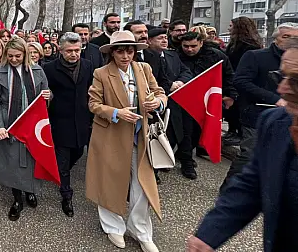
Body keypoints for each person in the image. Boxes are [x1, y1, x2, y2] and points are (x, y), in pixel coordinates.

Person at [186, 39, 298, 252]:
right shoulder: (274, 122)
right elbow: (253, 182)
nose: (283, 89)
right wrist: (209, 234)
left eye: (296, 81)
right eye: (280, 76)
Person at [87, 30, 166, 252]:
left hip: (141, 137)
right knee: (110, 180)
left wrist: (158, 103)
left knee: (142, 183)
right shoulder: (101, 73)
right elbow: (93, 104)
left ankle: (140, 229)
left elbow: (160, 92)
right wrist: (116, 113)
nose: (125, 55)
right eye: (120, 51)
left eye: (129, 50)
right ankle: (113, 226)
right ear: (112, 52)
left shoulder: (144, 69)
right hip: (110, 135)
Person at [222, 23, 298, 191]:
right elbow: (240, 81)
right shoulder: (255, 56)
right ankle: (230, 188)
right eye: (286, 36)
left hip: (288, 116)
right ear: (275, 38)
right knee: (249, 154)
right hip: (256, 113)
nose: (290, 41)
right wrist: (273, 98)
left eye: (295, 38)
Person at [0, 38, 50, 221]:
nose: (14, 59)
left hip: (33, 126)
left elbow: (45, 94)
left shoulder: (37, 71)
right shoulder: (0, 73)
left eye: (18, 56)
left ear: (24, 54)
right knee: (14, 164)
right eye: (11, 56)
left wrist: (49, 95)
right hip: (11, 125)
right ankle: (17, 199)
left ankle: (30, 190)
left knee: (31, 162)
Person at [43, 33, 94, 218]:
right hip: (60, 120)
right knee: (63, 161)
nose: (74, 54)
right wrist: (49, 96)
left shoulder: (88, 66)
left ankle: (58, 170)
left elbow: (92, 88)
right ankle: (66, 195)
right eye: (69, 51)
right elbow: (45, 90)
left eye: (77, 50)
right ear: (60, 50)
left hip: (81, 120)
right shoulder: (49, 68)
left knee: (78, 152)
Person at [178, 31, 238, 162]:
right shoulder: (176, 56)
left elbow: (228, 76)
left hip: (207, 99)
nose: (189, 49)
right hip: (184, 99)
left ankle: (189, 152)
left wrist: (230, 95)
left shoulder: (216, 56)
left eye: (193, 46)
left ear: (201, 43)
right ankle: (186, 158)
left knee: (199, 131)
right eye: (186, 46)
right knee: (185, 131)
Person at [146, 28, 195, 179]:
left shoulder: (172, 55)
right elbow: (152, 80)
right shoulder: (146, 58)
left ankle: (186, 162)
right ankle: (155, 169)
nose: (164, 40)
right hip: (157, 103)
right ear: (149, 41)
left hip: (177, 101)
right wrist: (169, 86)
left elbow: (186, 71)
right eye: (159, 38)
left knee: (183, 132)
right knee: (158, 135)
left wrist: (180, 81)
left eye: (165, 37)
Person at [224, 16, 263, 146]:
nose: (229, 29)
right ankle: (232, 130)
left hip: (243, 81)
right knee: (231, 108)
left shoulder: (251, 46)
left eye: (231, 26)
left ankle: (240, 133)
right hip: (231, 79)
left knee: (239, 108)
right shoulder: (233, 44)